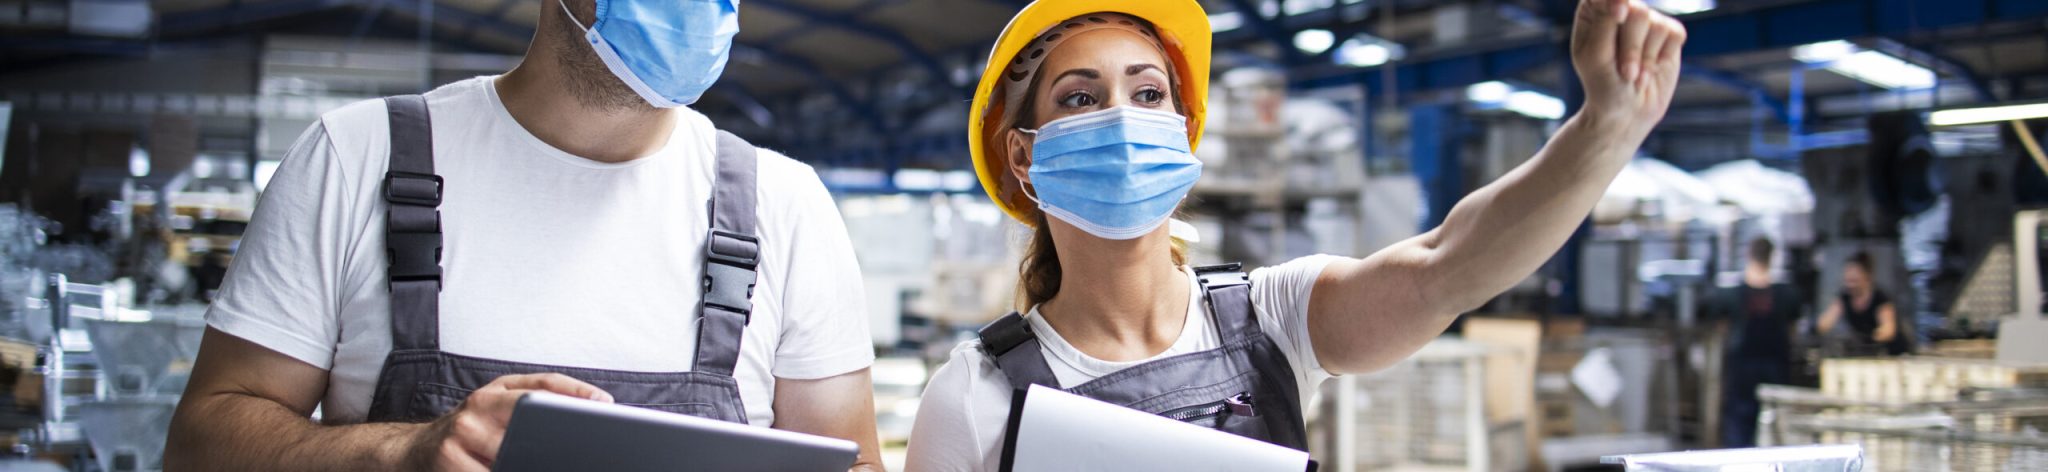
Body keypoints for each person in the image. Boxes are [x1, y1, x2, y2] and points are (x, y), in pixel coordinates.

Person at [904, 0, 1687, 469]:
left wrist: (1603, 132)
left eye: (1148, 93)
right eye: (1080, 99)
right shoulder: (974, 397)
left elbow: (1447, 265)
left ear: (1183, 134)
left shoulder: (1270, 320)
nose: (1121, 117)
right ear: (1024, 155)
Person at [164, 0, 885, 470]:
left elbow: (852, 463)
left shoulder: (784, 207)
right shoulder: (355, 160)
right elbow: (201, 443)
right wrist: (402, 453)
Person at [1717, 237, 1802, 448]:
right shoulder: (1786, 294)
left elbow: (1722, 329)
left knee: (1741, 428)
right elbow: (1793, 330)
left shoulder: (1730, 294)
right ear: (1772, 257)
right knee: (1774, 423)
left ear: (1748, 254)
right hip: (1771, 367)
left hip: (1745, 369)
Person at [1815, 251, 1907, 355]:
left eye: (1854, 281)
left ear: (1867, 277)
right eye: (1848, 281)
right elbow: (1824, 323)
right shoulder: (1845, 297)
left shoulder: (1880, 298)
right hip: (1866, 354)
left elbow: (1888, 330)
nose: (1850, 285)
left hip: (1891, 354)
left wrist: (1868, 338)